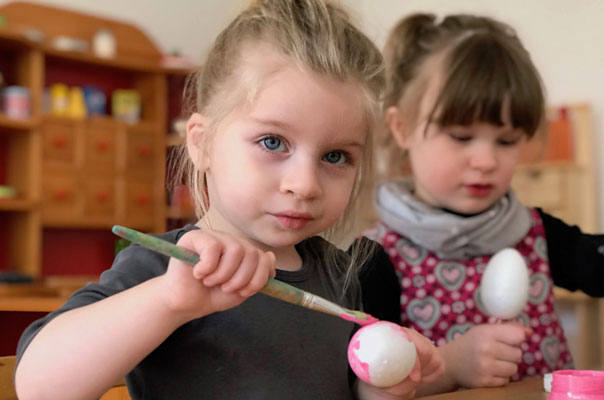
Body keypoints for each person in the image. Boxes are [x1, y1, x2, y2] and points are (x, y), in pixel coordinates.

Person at [14, 1, 443, 399]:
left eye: (336, 156)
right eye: (273, 141)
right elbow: (39, 385)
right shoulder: (168, 268)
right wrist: (168, 301)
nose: (305, 184)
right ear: (202, 144)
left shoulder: (341, 276)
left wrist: (380, 388)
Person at [363, 12, 604, 394]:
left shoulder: (534, 232)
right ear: (402, 128)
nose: (486, 161)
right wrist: (452, 366)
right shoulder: (375, 257)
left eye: (506, 141)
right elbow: (366, 387)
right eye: (461, 136)